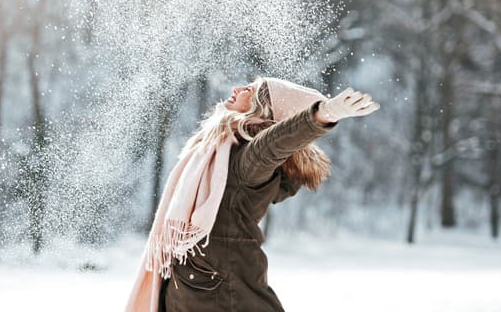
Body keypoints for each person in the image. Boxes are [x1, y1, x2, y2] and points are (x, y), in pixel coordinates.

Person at [125, 76, 380, 312]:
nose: (236, 89)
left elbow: (273, 144)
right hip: (196, 284)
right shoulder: (219, 151)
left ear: (262, 109)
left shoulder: (247, 160)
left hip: (219, 289)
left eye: (249, 90)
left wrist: (321, 116)